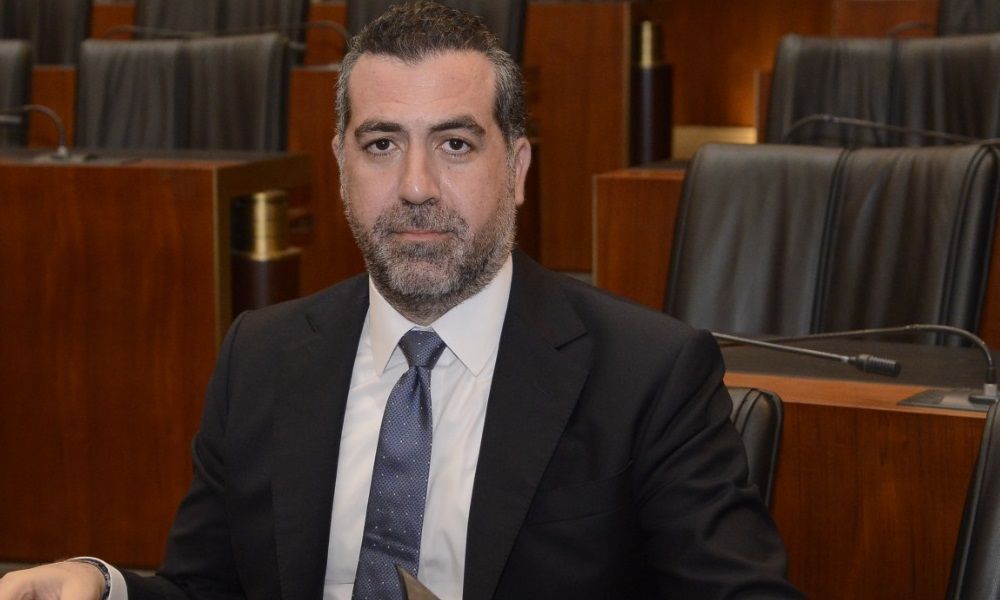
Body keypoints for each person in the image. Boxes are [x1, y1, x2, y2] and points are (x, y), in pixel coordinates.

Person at [0, 2, 802, 599]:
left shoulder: (649, 375)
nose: (416, 187)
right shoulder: (262, 355)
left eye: (455, 144)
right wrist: (104, 585)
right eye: (382, 144)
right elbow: (208, 588)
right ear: (341, 168)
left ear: (518, 170)